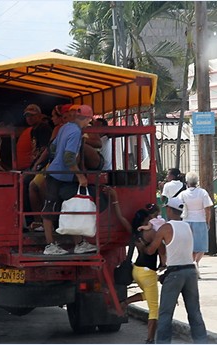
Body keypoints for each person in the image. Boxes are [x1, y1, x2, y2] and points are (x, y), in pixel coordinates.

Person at [137, 197, 207, 344]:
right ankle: (202, 341)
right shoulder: (187, 226)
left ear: (169, 209)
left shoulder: (166, 228)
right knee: (194, 312)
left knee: (165, 314)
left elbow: (151, 250)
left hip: (175, 273)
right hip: (191, 272)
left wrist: (142, 245)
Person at [105, 186, 163, 344]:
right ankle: (150, 339)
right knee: (154, 309)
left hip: (136, 270)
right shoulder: (151, 233)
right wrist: (164, 264)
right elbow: (161, 247)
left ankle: (125, 303)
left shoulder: (134, 232)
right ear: (146, 220)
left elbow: (120, 217)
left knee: (149, 295)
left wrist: (115, 198)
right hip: (148, 272)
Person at [41, 104, 98, 255]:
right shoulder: (76, 132)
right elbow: (68, 157)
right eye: (89, 121)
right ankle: (51, 246)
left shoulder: (64, 127)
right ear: (85, 119)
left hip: (55, 173)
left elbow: (52, 148)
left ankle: (77, 243)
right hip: (61, 176)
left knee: (66, 207)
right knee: (55, 209)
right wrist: (80, 176)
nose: (88, 124)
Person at [28, 104, 73, 231]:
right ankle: (42, 221)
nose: (52, 119)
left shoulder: (64, 129)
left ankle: (47, 221)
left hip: (60, 167)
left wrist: (38, 163)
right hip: (56, 165)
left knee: (39, 186)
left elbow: (50, 150)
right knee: (33, 184)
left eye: (54, 116)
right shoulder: (61, 129)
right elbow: (51, 148)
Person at [178, 171, 214, 278]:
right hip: (200, 220)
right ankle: (196, 262)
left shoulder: (183, 193)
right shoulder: (202, 192)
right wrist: (208, 221)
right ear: (197, 181)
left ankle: (192, 262)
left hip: (186, 221)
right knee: (201, 246)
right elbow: (207, 209)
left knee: (190, 245)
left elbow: (178, 205)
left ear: (187, 182)